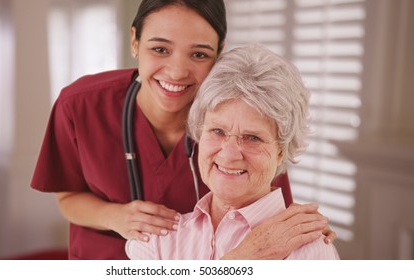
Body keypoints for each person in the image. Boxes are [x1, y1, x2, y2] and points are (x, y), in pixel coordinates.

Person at [31, 0, 335, 260]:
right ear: (134, 41)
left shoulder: (241, 118)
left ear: (219, 51)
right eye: (160, 49)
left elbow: (271, 217)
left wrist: (305, 239)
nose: (177, 71)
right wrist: (115, 216)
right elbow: (68, 196)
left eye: (199, 54)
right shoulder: (81, 105)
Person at [126, 44, 340, 259]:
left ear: (281, 151)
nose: (229, 154)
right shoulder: (156, 240)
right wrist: (245, 258)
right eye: (217, 131)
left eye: (253, 138)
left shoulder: (310, 251)